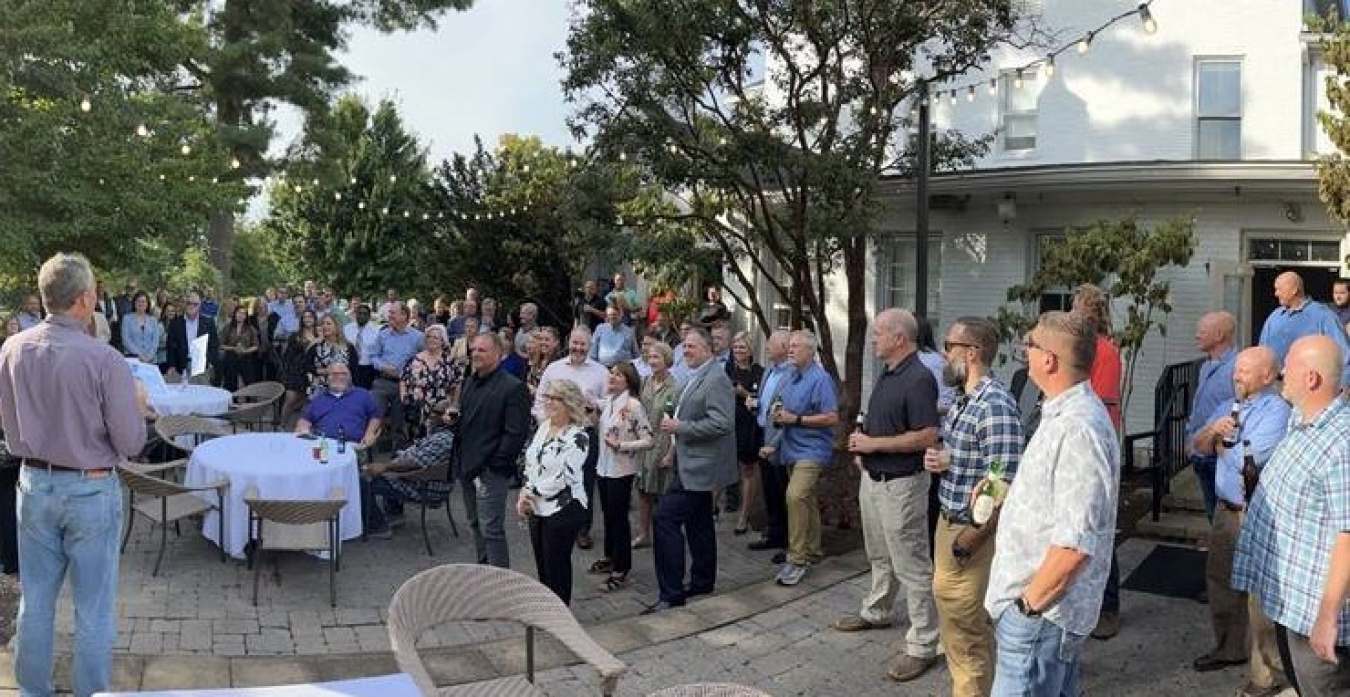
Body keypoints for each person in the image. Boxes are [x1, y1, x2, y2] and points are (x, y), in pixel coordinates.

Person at [0, 253, 150, 697]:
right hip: (89, 487)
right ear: (85, 299)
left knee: (37, 600)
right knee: (92, 608)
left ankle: (32, 692)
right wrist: (138, 407)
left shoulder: (11, 349)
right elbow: (131, 443)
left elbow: (9, 426)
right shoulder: (104, 360)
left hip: (33, 484)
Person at [984, 311, 1119, 695]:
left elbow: (1075, 545)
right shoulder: (1063, 412)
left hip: (1041, 616)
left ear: (1049, 360)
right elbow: (1061, 501)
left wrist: (1027, 607)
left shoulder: (1077, 427)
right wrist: (1007, 495)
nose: (1024, 352)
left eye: (1030, 344)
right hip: (1042, 615)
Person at [1233, 335, 1350, 696]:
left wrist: (1327, 617)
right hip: (1290, 605)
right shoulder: (1302, 419)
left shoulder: (1341, 444)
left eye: (1289, 366)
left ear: (1311, 378)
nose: (1282, 372)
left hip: (1315, 615)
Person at [838, 309, 941, 683]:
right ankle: (878, 610)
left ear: (899, 337)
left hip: (902, 485)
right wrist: (862, 443)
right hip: (875, 478)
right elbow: (877, 415)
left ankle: (923, 644)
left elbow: (928, 435)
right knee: (879, 553)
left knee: (911, 563)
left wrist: (874, 443)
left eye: (878, 333)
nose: (873, 339)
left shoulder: (919, 378)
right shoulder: (889, 371)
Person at [925, 317, 1024, 697]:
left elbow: (1002, 480)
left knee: (967, 631)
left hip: (970, 535)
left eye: (949, 345)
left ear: (972, 353)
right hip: (949, 525)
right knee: (956, 625)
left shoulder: (994, 403)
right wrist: (945, 461)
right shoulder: (966, 400)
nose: (942, 353)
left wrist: (972, 536)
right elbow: (981, 463)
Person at [1189, 347, 1289, 697]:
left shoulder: (1277, 411)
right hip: (1225, 510)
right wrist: (1212, 435)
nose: (1237, 375)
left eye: (1245, 370)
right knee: (1220, 579)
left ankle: (1268, 675)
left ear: (1267, 376)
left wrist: (1220, 446)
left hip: (1255, 513)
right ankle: (1228, 647)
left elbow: (1254, 457)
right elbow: (1195, 447)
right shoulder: (1229, 407)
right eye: (1237, 369)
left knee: (1258, 599)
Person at [644, 327, 738, 614]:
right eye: (684, 347)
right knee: (699, 522)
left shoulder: (716, 378)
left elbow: (723, 423)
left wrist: (680, 428)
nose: (686, 352)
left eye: (692, 347)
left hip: (701, 467)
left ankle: (671, 594)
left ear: (709, 350)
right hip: (689, 462)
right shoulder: (697, 375)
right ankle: (702, 581)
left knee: (664, 517)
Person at [1071, 283, 1125, 641]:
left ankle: (1108, 606)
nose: (1071, 313)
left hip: (1093, 444)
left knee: (1098, 522)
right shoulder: (1082, 349)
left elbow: (1101, 403)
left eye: (1075, 307)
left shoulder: (1103, 351)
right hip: (1077, 440)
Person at [764, 330, 839, 587]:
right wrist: (774, 440)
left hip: (813, 450)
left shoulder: (821, 379)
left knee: (794, 495)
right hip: (789, 447)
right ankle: (814, 550)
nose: (790, 350)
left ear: (810, 350)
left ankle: (796, 559)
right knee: (805, 499)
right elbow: (783, 411)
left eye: (795, 346)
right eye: (789, 346)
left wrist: (796, 419)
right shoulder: (790, 376)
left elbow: (831, 417)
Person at [456, 333, 531, 568]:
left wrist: (492, 467)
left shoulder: (513, 387)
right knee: (475, 523)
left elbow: (515, 435)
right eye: (473, 349)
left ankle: (499, 581)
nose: (475, 354)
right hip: (467, 466)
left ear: (498, 354)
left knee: (491, 528)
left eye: (482, 350)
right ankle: (483, 574)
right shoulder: (468, 381)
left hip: (491, 471)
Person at [534, 327, 609, 550]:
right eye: (575, 343)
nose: (578, 348)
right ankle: (555, 521)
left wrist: (595, 404)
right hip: (556, 433)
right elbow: (539, 400)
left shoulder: (601, 372)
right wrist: (544, 426)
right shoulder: (554, 369)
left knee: (584, 482)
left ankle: (582, 529)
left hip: (585, 434)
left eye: (583, 344)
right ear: (568, 343)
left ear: (590, 346)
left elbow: (609, 404)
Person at [517, 379, 590, 604]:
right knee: (542, 564)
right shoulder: (544, 427)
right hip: (537, 506)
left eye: (555, 398)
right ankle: (547, 611)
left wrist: (529, 493)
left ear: (568, 403)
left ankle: (560, 617)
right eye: (547, 397)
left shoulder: (578, 437)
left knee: (556, 566)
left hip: (564, 508)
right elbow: (531, 463)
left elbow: (562, 478)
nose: (548, 402)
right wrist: (524, 491)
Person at [361, 398, 457, 539]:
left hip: (424, 487)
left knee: (363, 481)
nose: (430, 415)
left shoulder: (443, 439)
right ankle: (395, 514)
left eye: (435, 412)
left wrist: (384, 468)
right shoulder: (441, 434)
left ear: (447, 418)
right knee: (393, 459)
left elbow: (414, 463)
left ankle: (377, 526)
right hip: (420, 478)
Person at [1185, 311, 1239, 522]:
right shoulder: (1206, 366)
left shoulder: (1237, 368)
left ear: (1218, 335)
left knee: (1223, 521)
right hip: (1200, 453)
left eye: (1202, 331)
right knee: (1212, 516)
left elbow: (1240, 408)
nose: (1197, 335)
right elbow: (1199, 406)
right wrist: (1191, 439)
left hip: (1219, 457)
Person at [1258, 271, 1350, 385]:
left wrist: (1342, 391)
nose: (1276, 294)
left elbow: (1344, 356)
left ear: (1294, 290)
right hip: (1274, 387)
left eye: (1279, 289)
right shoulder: (1274, 317)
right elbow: (1261, 352)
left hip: (1310, 389)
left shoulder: (1324, 316)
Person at [748, 330, 791, 555]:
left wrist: (775, 442)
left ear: (784, 347)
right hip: (762, 433)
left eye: (771, 344)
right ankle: (774, 533)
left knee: (782, 489)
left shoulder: (793, 374)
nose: (766, 347)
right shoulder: (769, 371)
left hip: (780, 441)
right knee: (769, 490)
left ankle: (787, 540)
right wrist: (755, 404)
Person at [634, 341, 679, 549]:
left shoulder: (675, 387)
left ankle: (665, 535)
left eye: (657, 357)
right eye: (650, 357)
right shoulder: (645, 382)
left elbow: (677, 422)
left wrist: (671, 453)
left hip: (663, 445)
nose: (652, 361)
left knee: (664, 493)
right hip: (645, 445)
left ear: (666, 360)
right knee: (643, 491)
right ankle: (644, 534)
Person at [368, 302, 425, 448]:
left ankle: (397, 452)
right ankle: (369, 447)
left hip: (404, 384)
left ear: (404, 315)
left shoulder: (418, 337)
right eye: (389, 313)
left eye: (393, 313)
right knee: (375, 413)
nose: (389, 315)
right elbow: (373, 355)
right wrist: (383, 366)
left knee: (398, 421)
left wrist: (410, 372)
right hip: (382, 381)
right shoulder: (383, 334)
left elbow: (425, 359)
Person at [726, 332, 764, 537]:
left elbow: (761, 399)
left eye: (742, 347)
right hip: (728, 424)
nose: (738, 351)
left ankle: (744, 515)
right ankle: (710, 507)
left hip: (749, 425)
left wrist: (745, 394)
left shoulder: (759, 372)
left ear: (750, 350)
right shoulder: (727, 370)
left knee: (748, 469)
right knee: (724, 467)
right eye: (736, 347)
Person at [294, 360, 382, 447]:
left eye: (344, 374)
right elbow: (305, 420)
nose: (339, 377)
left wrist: (369, 433)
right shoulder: (318, 399)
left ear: (350, 377)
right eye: (334, 374)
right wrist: (303, 430)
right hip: (324, 445)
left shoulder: (363, 395)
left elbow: (375, 417)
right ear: (327, 379)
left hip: (354, 445)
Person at [400, 324, 461, 441]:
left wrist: (454, 405)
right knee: (417, 444)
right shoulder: (415, 359)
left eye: (436, 337)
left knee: (437, 444)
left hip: (440, 411)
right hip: (417, 411)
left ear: (443, 341)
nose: (431, 340)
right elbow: (403, 379)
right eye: (429, 337)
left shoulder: (450, 361)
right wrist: (404, 398)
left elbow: (457, 384)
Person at [165, 290, 220, 382]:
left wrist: (209, 362)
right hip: (180, 368)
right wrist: (171, 365)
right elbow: (170, 347)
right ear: (184, 304)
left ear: (200, 305)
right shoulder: (175, 323)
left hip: (202, 369)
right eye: (189, 303)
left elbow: (214, 345)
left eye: (195, 304)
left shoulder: (209, 322)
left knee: (201, 395)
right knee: (182, 396)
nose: (191, 306)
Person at [279, 308, 320, 428]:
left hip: (312, 372)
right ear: (302, 320)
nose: (308, 319)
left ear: (314, 319)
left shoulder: (320, 334)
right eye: (305, 317)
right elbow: (287, 357)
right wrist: (286, 374)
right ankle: (282, 426)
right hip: (296, 372)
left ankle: (300, 428)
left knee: (306, 401)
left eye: (310, 317)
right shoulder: (295, 335)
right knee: (290, 400)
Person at [306, 315, 355, 397]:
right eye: (323, 324)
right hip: (320, 391)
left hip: (343, 391)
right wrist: (324, 371)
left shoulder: (349, 347)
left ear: (337, 326)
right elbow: (306, 366)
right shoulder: (316, 346)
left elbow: (354, 369)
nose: (324, 326)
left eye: (328, 323)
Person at [218, 304, 260, 389]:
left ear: (246, 316)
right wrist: (233, 348)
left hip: (246, 358)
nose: (241, 315)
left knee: (250, 383)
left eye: (244, 313)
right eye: (239, 313)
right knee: (230, 384)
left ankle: (250, 401)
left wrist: (245, 351)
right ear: (235, 314)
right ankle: (232, 401)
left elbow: (256, 346)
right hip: (231, 358)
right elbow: (220, 345)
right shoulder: (227, 327)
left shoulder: (250, 328)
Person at [343, 303, 381, 389]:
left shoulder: (376, 331)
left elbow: (378, 351)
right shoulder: (346, 328)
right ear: (355, 314)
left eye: (365, 314)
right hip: (348, 367)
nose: (361, 316)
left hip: (367, 368)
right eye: (359, 313)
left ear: (369, 316)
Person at [120, 291, 161, 365]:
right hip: (133, 359)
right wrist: (139, 355)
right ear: (134, 303)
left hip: (151, 360)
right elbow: (126, 340)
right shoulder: (126, 319)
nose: (141, 303)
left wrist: (149, 356)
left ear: (147, 304)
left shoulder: (153, 320)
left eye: (143, 301)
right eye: (138, 301)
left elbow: (155, 341)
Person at [156, 300, 178, 374]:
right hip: (162, 360)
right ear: (164, 312)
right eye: (168, 311)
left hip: (176, 361)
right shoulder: (159, 326)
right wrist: (169, 345)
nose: (171, 313)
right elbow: (155, 345)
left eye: (173, 311)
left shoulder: (179, 326)